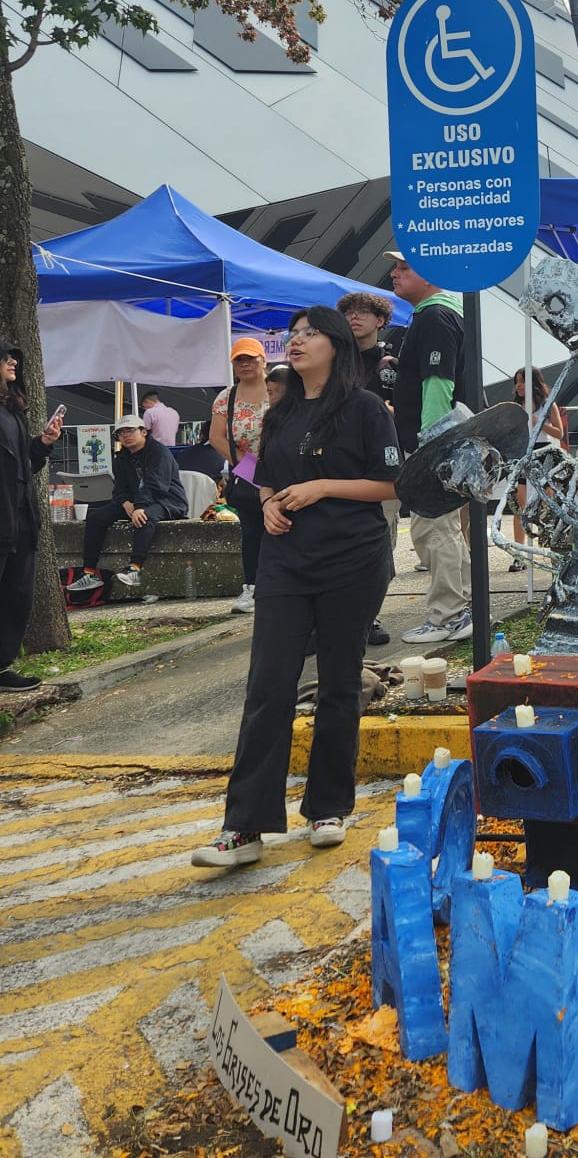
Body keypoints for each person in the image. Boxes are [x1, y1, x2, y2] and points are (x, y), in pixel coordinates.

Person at [192, 306, 401, 868]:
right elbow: (254, 470)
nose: (297, 341)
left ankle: (328, 807)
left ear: (335, 344)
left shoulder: (364, 409)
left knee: (338, 683)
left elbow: (388, 483)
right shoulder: (279, 412)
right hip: (284, 562)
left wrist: (319, 488)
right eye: (293, 335)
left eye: (309, 334)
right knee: (268, 686)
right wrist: (266, 501)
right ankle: (244, 826)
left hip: (351, 560)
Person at [386, 250, 472, 644]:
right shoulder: (435, 314)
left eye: (405, 268)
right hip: (438, 440)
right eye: (397, 267)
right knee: (442, 528)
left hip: (433, 442)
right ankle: (458, 610)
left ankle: (449, 615)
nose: (395, 273)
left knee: (433, 528)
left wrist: (429, 444)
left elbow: (438, 382)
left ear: (431, 274)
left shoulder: (436, 315)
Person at [339, 289, 402, 646]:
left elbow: (404, 411)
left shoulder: (392, 366)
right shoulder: (335, 362)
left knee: (382, 544)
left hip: (379, 468)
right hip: (339, 466)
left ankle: (368, 616)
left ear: (381, 320)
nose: (355, 317)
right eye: (349, 312)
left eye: (364, 312)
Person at [0, 341, 64, 691]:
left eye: (15, 358)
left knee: (16, 594)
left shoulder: (13, 410)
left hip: (20, 519)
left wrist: (42, 443)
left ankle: (2, 666)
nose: (12, 362)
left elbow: (25, 464)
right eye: (6, 358)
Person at [67, 414, 188, 593]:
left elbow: (156, 484)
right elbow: (120, 489)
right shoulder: (121, 458)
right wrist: (125, 502)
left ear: (144, 431)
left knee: (144, 518)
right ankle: (89, 572)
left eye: (130, 430)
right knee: (95, 518)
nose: (126, 436)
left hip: (167, 500)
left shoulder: (159, 452)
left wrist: (139, 506)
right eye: (121, 433)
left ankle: (135, 568)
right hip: (136, 501)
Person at [210, 339, 271, 615]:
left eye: (251, 358)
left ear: (263, 360)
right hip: (246, 470)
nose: (245, 364)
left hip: (286, 466)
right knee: (252, 530)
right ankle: (252, 587)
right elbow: (216, 438)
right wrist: (248, 467)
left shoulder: (282, 387)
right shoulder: (226, 397)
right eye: (239, 360)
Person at [507, 367, 566, 569]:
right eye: (517, 382)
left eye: (522, 381)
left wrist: (538, 423)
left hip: (544, 454)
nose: (519, 386)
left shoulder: (547, 405)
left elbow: (559, 433)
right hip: (522, 453)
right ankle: (519, 554)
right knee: (520, 505)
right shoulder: (514, 406)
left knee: (546, 505)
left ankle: (552, 550)